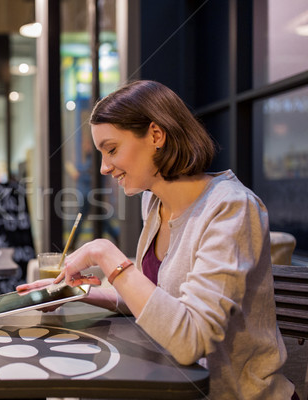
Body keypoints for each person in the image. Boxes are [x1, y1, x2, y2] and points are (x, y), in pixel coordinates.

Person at [18, 80, 295, 399]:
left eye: (112, 149)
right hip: (171, 387)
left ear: (155, 135)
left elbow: (190, 341)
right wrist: (79, 292)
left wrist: (105, 253)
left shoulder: (231, 207)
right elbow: (159, 302)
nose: (105, 167)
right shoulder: (155, 203)